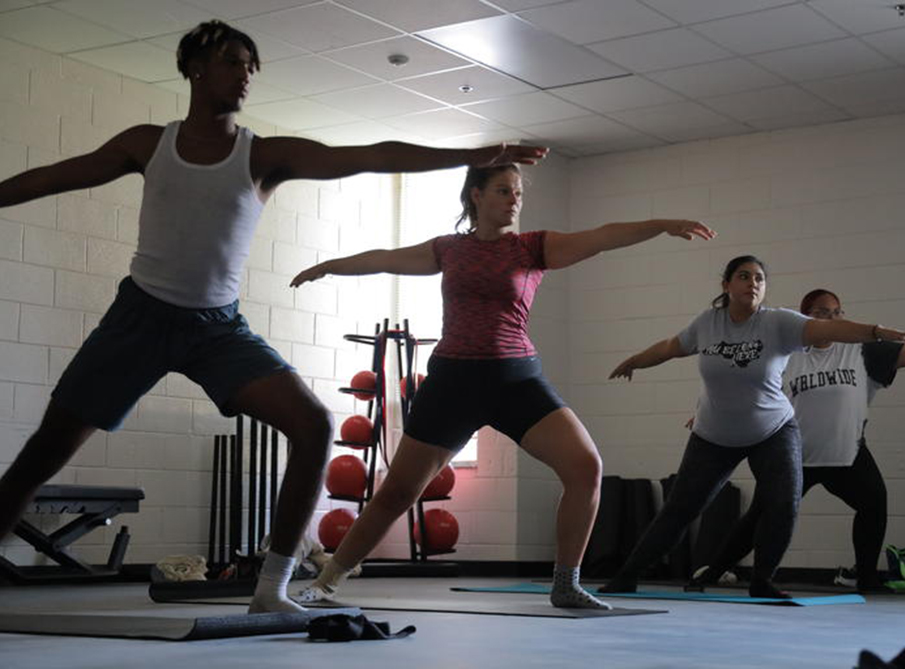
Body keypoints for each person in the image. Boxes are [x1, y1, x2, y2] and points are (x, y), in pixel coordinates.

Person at [0, 20, 548, 615]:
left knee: (312, 425)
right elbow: (56, 176)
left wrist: (472, 155)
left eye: (251, 67)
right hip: (139, 318)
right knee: (46, 449)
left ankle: (272, 589)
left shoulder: (263, 156)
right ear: (196, 68)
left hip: (217, 329)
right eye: (233, 62)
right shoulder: (146, 142)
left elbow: (366, 156)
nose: (244, 76)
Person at [288, 163, 716, 609]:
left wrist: (663, 225)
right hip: (454, 381)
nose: (514, 200)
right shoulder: (448, 250)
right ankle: (328, 581)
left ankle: (566, 583)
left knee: (586, 467)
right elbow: (384, 258)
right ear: (476, 195)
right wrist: (331, 266)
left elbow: (604, 235)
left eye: (517, 193)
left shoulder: (533, 248)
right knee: (398, 491)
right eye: (503, 191)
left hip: (516, 380)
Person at [598, 256, 905, 598]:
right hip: (714, 435)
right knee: (682, 507)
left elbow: (830, 329)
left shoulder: (779, 323)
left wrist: (876, 333)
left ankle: (762, 581)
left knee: (782, 504)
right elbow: (671, 347)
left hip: (773, 431)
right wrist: (635, 361)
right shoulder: (707, 323)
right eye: (743, 276)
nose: (752, 283)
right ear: (726, 285)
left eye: (759, 278)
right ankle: (628, 576)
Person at [688, 288, 905, 593]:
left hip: (847, 453)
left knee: (874, 502)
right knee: (761, 517)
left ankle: (866, 578)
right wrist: (710, 414)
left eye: (837, 313)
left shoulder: (861, 351)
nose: (831, 318)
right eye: (822, 313)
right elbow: (745, 386)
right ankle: (713, 572)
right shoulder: (785, 353)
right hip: (794, 455)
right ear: (804, 318)